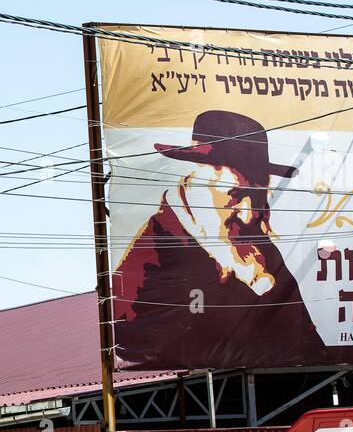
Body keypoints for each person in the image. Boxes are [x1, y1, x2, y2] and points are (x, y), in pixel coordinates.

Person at [113, 110, 331, 367]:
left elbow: (311, 346)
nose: (249, 214)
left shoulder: (262, 251)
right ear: (195, 181)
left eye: (258, 195)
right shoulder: (148, 261)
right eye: (236, 195)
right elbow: (134, 357)